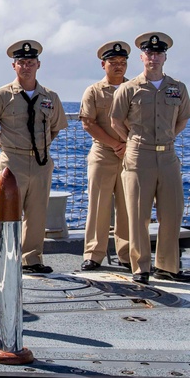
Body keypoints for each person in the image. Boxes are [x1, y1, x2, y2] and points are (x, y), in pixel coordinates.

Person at [0, 40, 68, 273]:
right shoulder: (1, 95)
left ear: (38, 64)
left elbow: (56, 127)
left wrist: (41, 147)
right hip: (12, 161)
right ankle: (5, 256)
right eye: (21, 62)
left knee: (37, 213)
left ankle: (32, 259)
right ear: (14, 66)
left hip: (40, 162)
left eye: (30, 62)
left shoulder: (50, 97)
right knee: (8, 211)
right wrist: (6, 147)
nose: (26, 67)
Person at [110, 32, 190, 284]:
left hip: (168, 157)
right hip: (138, 158)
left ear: (164, 57)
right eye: (149, 53)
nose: (153, 57)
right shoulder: (128, 88)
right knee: (138, 214)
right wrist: (135, 141)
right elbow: (115, 121)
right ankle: (140, 267)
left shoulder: (177, 88)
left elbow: (183, 119)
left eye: (158, 53)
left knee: (172, 213)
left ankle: (167, 266)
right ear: (142, 57)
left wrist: (166, 138)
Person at [78, 41, 131, 271]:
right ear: (103, 64)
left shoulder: (136, 88)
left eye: (122, 62)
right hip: (102, 154)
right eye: (113, 62)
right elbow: (88, 123)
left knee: (128, 206)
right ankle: (93, 254)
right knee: (98, 205)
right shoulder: (93, 91)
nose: (118, 66)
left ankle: (128, 254)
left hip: (130, 155)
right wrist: (116, 144)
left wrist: (127, 146)